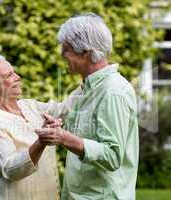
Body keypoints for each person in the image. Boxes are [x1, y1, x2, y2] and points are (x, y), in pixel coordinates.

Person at [36, 13, 139, 200]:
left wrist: (64, 138)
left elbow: (113, 155)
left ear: (86, 53)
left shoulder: (112, 91)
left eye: (66, 49)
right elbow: (61, 112)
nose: (61, 54)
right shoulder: (87, 87)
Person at [0, 54, 78, 200]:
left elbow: (63, 109)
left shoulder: (29, 106)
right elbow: (11, 169)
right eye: (9, 75)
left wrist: (88, 81)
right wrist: (41, 142)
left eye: (14, 72)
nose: (17, 77)